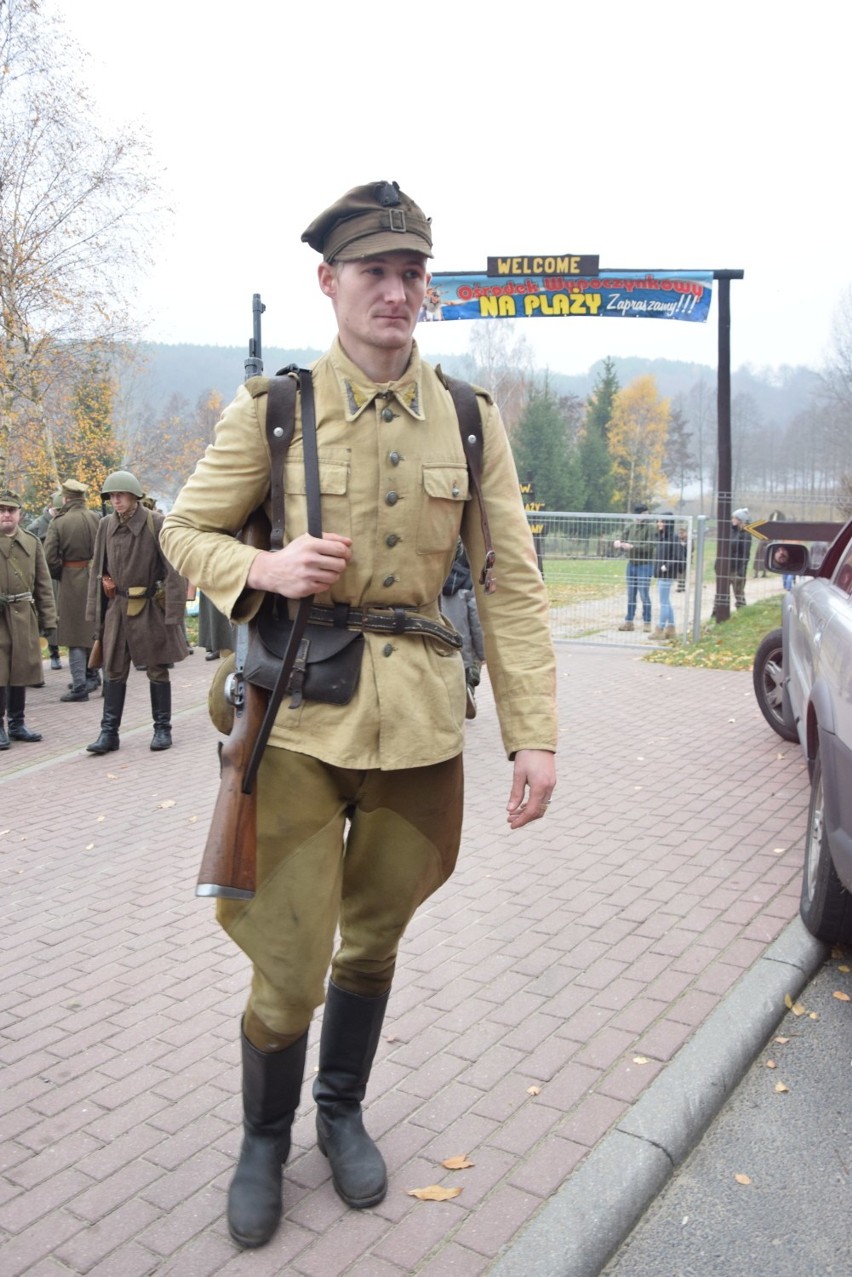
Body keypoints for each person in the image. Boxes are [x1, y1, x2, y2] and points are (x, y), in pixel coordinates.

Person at [161, 179, 557, 1250]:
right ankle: (262, 1137)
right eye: (373, 271)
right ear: (328, 282)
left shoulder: (471, 420)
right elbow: (185, 531)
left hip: (420, 732)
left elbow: (511, 582)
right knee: (288, 962)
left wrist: (534, 731)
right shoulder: (276, 410)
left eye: (411, 272)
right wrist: (268, 564)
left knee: (374, 940)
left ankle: (340, 1110)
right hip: (292, 722)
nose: (395, 290)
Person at [85, 470, 189, 754]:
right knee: (114, 671)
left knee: (157, 669)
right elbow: (98, 570)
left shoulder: (155, 523)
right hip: (117, 608)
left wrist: (173, 614)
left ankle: (162, 729)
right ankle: (109, 733)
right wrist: (97, 613)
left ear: (134, 496)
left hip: (149, 608)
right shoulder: (105, 525)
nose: (115, 500)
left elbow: (174, 571)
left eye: (120, 495)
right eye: (111, 496)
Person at [0, 489, 57, 749]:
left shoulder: (32, 543)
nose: (5, 515)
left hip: (24, 615)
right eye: (1, 511)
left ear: (19, 514)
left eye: (10, 510)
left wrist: (49, 620)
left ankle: (17, 723)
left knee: (20, 670)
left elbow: (43, 585)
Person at [44, 478, 102, 701]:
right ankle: (93, 676)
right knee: (93, 629)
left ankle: (79, 686)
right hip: (95, 578)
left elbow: (49, 557)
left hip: (71, 580)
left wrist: (62, 574)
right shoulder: (96, 518)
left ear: (66, 498)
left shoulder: (59, 522)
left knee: (74, 633)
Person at [440, 538, 485, 718]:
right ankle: (467, 691)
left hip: (439, 639)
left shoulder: (434, 582)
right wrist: (482, 653)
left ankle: (447, 703)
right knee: (467, 672)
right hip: (462, 643)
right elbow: (476, 618)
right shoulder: (469, 581)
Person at [26, 493, 63, 670]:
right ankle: (53, 652)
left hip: (62, 576)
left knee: (64, 616)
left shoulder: (65, 523)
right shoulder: (36, 527)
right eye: (57, 510)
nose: (59, 513)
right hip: (44, 577)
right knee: (47, 616)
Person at [614, 504, 656, 631]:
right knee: (631, 594)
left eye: (647, 514)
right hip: (631, 564)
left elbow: (650, 546)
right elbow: (622, 539)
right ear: (638, 514)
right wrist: (618, 543)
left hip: (645, 565)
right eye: (644, 514)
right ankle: (629, 622)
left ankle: (647, 622)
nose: (647, 516)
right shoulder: (630, 527)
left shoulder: (651, 528)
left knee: (644, 594)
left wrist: (632, 547)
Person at [650, 512, 684, 640]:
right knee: (666, 601)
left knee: (663, 602)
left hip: (666, 574)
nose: (659, 523)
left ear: (668, 523)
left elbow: (677, 556)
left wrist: (666, 566)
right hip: (660, 573)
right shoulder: (660, 537)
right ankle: (671, 629)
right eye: (658, 521)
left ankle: (660, 629)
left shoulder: (673, 538)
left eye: (662, 521)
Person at [730, 508, 752, 608]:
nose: (732, 520)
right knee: (721, 594)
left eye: (735, 518)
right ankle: (716, 614)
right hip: (726, 567)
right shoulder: (730, 531)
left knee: (739, 594)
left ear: (741, 520)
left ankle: (742, 611)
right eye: (732, 518)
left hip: (737, 569)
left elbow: (745, 555)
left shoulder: (745, 534)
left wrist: (741, 572)